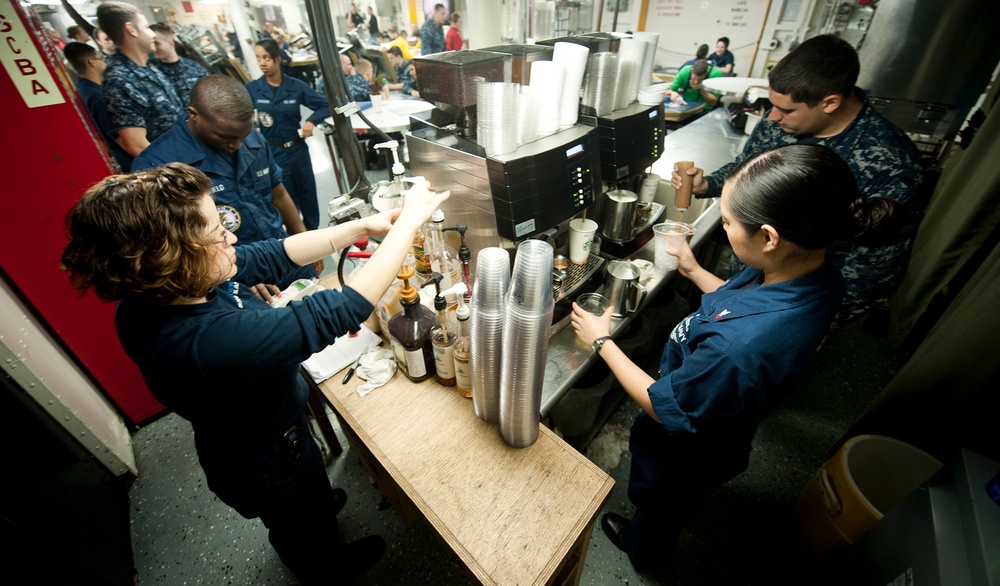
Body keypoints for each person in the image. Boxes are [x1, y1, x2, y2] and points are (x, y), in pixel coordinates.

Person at [60, 162, 450, 584]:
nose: (232, 239)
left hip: (276, 426)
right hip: (262, 458)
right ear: (172, 258)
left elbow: (270, 254)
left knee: (312, 494)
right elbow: (337, 311)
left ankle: (316, 507)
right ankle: (328, 568)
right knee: (298, 529)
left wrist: (362, 225)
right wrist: (407, 223)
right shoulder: (204, 343)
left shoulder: (166, 286)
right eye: (217, 234)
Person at [575, 144, 885, 571]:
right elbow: (747, 303)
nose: (723, 228)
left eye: (727, 222)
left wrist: (601, 340)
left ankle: (645, 551)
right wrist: (695, 270)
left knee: (661, 500)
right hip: (727, 423)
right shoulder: (815, 273)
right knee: (679, 494)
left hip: (686, 446)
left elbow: (665, 407)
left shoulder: (736, 349)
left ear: (769, 237)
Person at [672, 34, 923, 325]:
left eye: (787, 109)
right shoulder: (776, 124)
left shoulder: (891, 162)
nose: (773, 117)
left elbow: (874, 269)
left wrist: (817, 322)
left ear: (830, 102)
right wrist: (710, 184)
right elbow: (747, 167)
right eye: (773, 104)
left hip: (803, 307)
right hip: (748, 278)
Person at [133, 75, 316, 297]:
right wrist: (227, 278)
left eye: (243, 135)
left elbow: (278, 194)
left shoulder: (251, 140)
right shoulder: (158, 168)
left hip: (284, 253)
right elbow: (171, 250)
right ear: (194, 114)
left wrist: (306, 241)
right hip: (234, 280)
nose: (236, 144)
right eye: (226, 137)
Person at [247, 39, 331, 232]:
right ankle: (296, 239)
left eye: (266, 58)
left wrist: (311, 121)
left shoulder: (296, 86)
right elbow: (238, 115)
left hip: (297, 149)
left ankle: (313, 234)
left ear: (278, 58)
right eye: (258, 58)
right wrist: (252, 132)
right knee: (285, 199)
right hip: (273, 152)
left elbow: (324, 105)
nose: (262, 63)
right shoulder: (252, 89)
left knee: (307, 195)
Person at [98, 2, 184, 157]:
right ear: (131, 29)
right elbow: (137, 145)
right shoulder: (119, 80)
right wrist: (181, 173)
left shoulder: (149, 66)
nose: (152, 34)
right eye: (146, 27)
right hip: (176, 165)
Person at [63, 43, 134, 171]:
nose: (104, 62)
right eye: (101, 58)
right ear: (92, 62)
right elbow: (119, 136)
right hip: (128, 159)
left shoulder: (84, 88)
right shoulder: (95, 96)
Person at [149, 23, 207, 107]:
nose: (153, 48)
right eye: (151, 43)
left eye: (157, 43)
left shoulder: (195, 69)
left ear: (171, 44)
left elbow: (207, 100)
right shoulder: (150, 73)